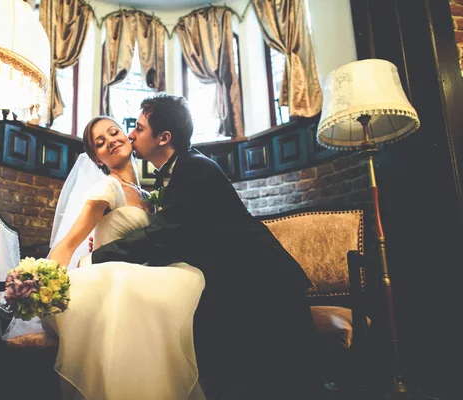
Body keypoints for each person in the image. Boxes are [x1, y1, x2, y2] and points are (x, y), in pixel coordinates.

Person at [85, 94, 320, 399]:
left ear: (163, 138)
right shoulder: (170, 177)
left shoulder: (196, 170)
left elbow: (163, 238)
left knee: (280, 387)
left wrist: (99, 257)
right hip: (234, 288)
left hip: (263, 289)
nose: (130, 135)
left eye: (139, 129)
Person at [32, 116, 206, 400]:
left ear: (127, 136)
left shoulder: (149, 196)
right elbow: (69, 243)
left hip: (142, 280)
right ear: (98, 159)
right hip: (113, 282)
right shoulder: (107, 189)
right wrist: (41, 283)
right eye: (100, 143)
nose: (110, 141)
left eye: (114, 132)